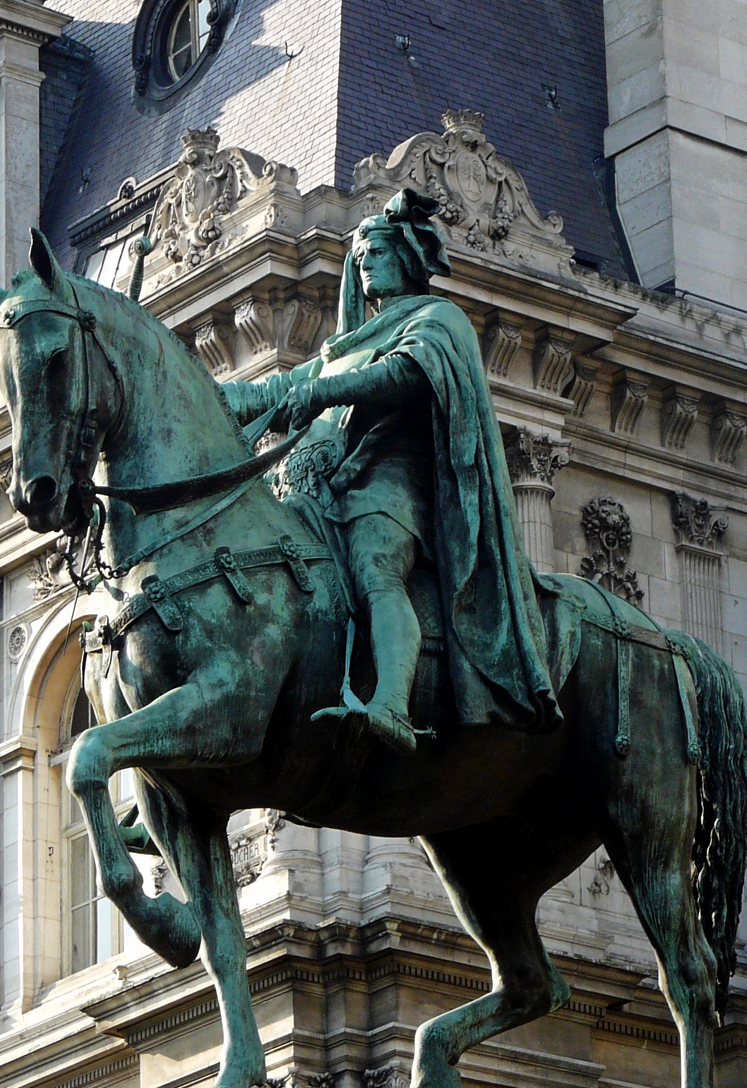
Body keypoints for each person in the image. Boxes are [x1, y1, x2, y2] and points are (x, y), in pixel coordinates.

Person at [221, 189, 559, 754]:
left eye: (374, 253)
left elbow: (405, 375)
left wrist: (321, 391)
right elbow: (275, 389)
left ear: (404, 257)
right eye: (359, 259)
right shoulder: (343, 347)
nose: (364, 265)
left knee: (376, 566)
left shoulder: (436, 318)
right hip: (323, 491)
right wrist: (213, 398)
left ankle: (393, 705)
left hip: (395, 488)